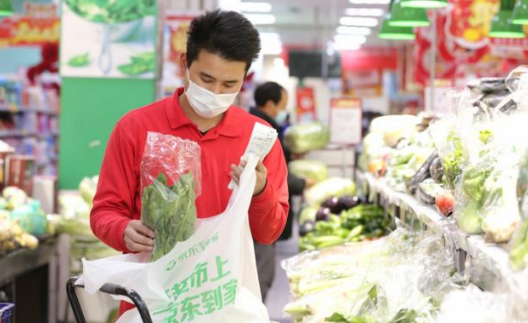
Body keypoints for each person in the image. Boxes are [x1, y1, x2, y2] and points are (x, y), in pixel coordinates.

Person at [90, 10, 289, 316]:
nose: (215, 93)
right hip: (150, 304)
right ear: (184, 64)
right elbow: (104, 211)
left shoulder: (258, 140)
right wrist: (123, 229)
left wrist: (260, 190)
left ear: (244, 79)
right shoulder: (135, 128)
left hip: (226, 303)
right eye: (206, 79)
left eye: (228, 84)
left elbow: (269, 233)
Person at [250, 82, 310, 301]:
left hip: (258, 212)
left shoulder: (257, 125)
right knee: (260, 273)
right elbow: (273, 175)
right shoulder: (265, 130)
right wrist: (303, 184)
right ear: (270, 104)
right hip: (260, 214)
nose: (283, 109)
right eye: (282, 104)